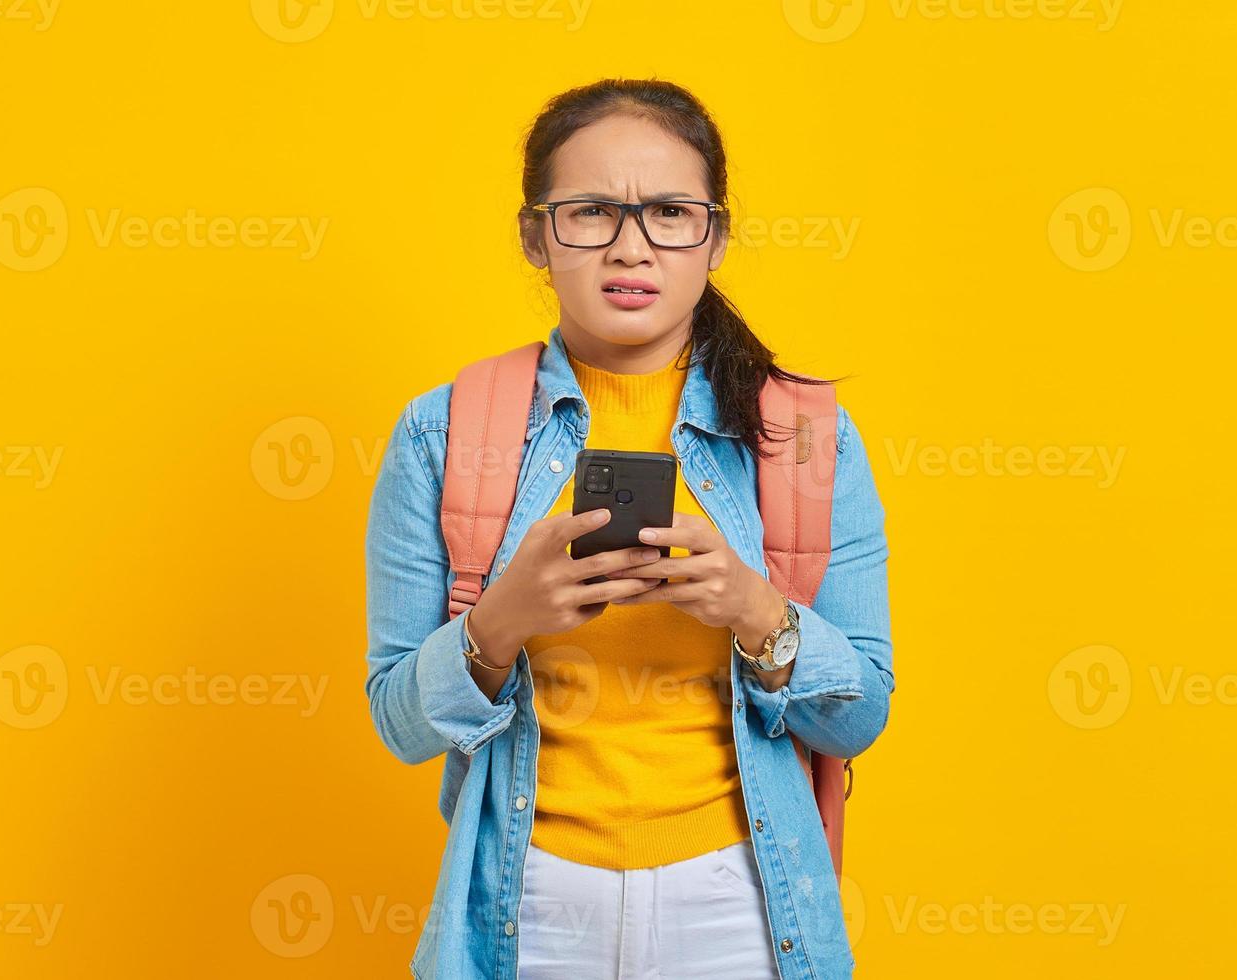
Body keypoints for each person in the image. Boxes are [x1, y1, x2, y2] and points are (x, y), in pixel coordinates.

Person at [365, 77, 894, 980]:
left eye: (669, 213)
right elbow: (400, 725)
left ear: (715, 237)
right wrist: (500, 623)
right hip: (524, 899)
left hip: (740, 898)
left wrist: (756, 609)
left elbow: (861, 717)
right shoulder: (440, 432)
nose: (630, 245)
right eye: (591, 212)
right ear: (536, 236)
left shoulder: (803, 438)